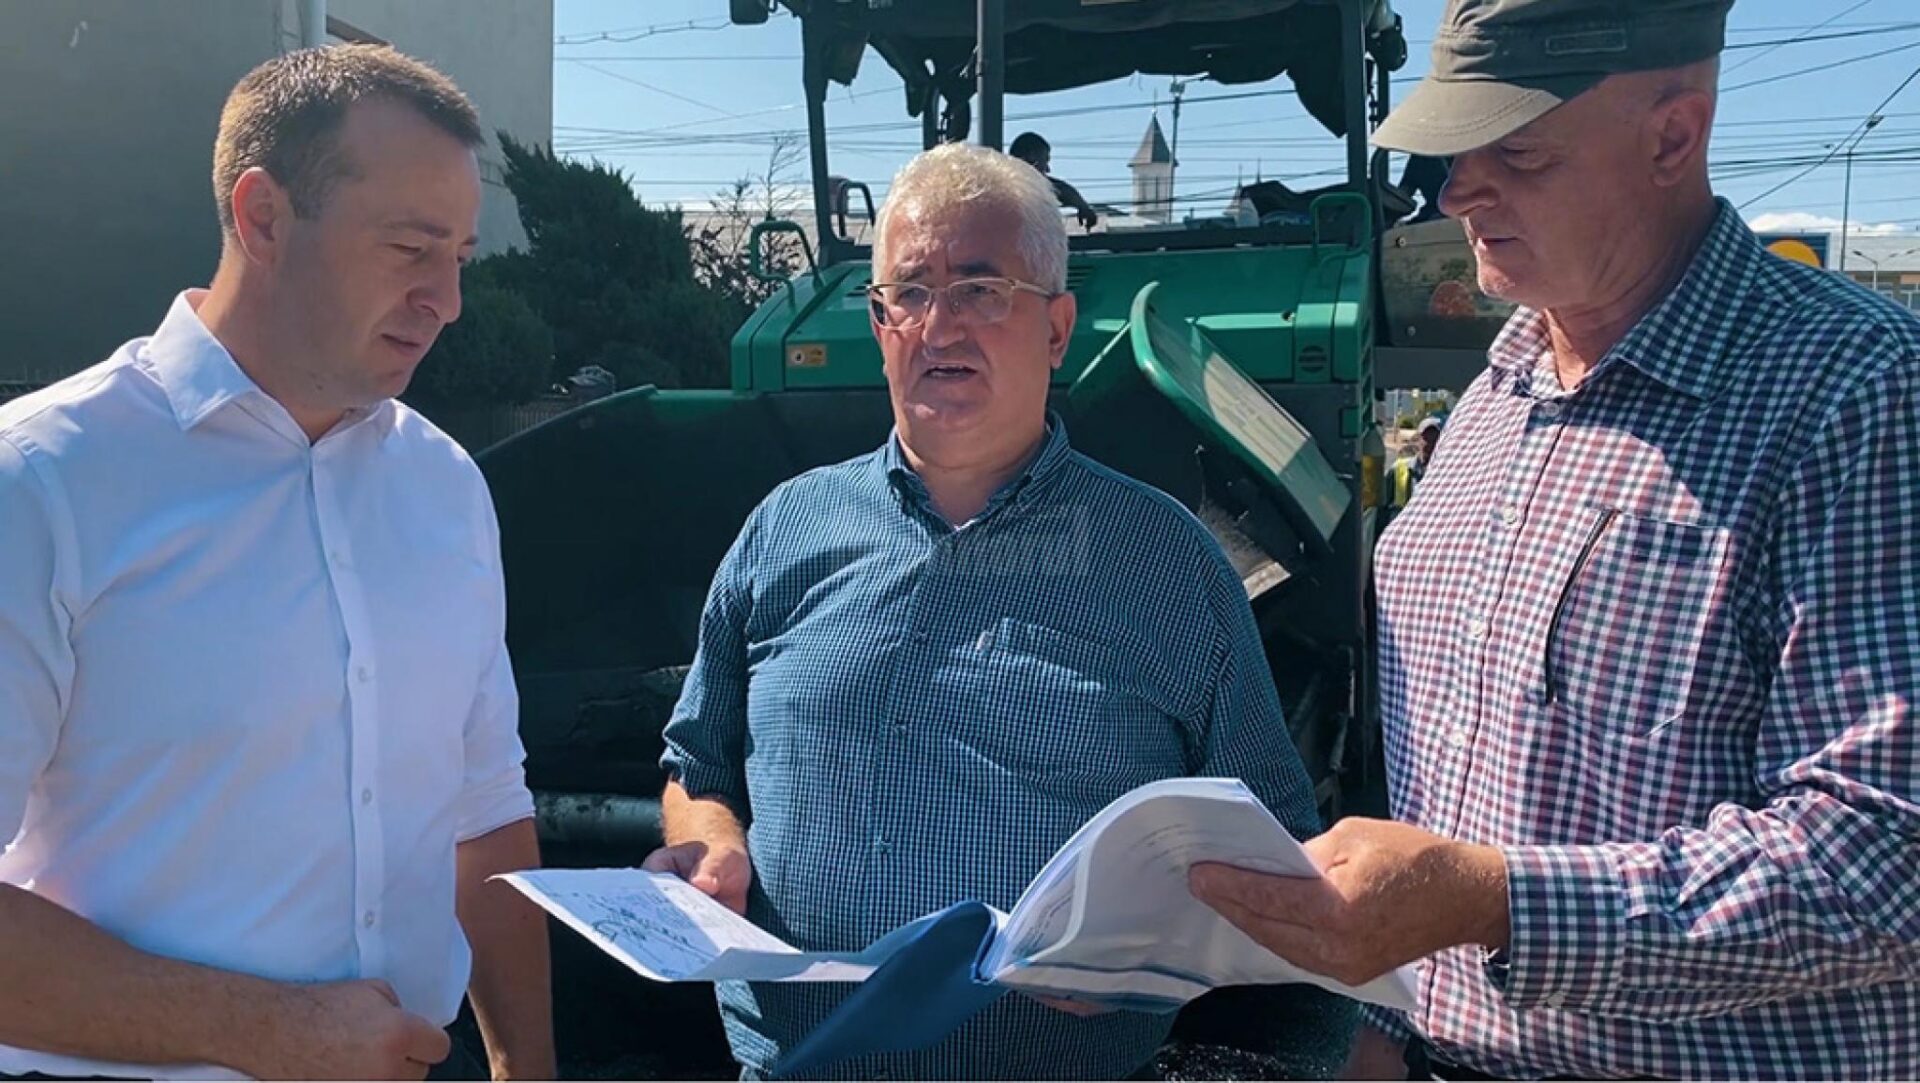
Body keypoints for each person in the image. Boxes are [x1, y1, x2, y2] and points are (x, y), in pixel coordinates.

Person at [1189, 0, 1920, 1078]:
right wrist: (1389, 1027)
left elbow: (1886, 859)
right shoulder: (1499, 393)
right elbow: (1452, 786)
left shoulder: (1860, 393)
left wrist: (1493, 902)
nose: (1457, 193)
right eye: (1456, 152)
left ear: (1673, 134)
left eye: (1518, 153)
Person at [647, 142, 1319, 1080]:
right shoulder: (783, 529)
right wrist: (709, 842)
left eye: (979, 290)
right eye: (909, 293)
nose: (940, 326)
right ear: (879, 322)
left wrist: (1154, 947)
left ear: (1057, 328)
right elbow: (700, 763)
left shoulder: (1169, 565)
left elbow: (1278, 848)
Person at [0, 46, 554, 1081]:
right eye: (410, 248)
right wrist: (269, 1032)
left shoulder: (444, 488)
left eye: (461, 258)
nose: (447, 300)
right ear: (261, 217)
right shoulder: (39, 482)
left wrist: (530, 1068)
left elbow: (483, 814)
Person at [1010, 131, 1101, 230]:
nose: (1048, 169)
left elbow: (1060, 188)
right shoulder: (1012, 190)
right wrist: (1083, 206)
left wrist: (1082, 206)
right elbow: (1058, 188)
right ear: (1031, 157)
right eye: (1045, 161)